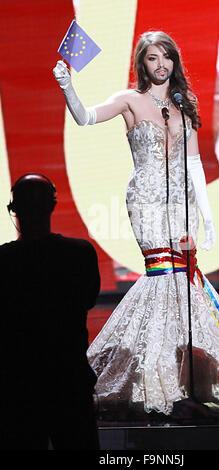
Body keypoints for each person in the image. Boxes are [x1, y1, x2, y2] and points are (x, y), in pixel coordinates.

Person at [53, 31, 219, 418]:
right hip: (145, 199)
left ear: (174, 62)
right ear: (142, 64)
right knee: (163, 274)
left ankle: (180, 378)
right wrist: (66, 85)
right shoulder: (129, 100)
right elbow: (85, 117)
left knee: (182, 281)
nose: (160, 66)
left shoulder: (183, 104)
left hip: (180, 202)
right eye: (152, 59)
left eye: (166, 58)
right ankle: (149, 377)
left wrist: (204, 219)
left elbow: (193, 166)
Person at [0, 173, 101, 449]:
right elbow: (89, 300)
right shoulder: (80, 253)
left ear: (14, 210)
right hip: (69, 382)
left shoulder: (3, 261)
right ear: (52, 206)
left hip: (17, 387)